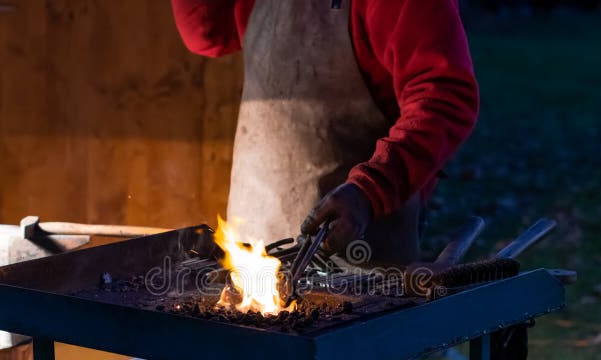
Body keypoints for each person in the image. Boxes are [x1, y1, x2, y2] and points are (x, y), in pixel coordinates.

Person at [172, 0, 479, 265]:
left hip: (360, 259)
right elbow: (207, 34)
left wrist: (370, 190)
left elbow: (444, 97)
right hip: (252, 252)